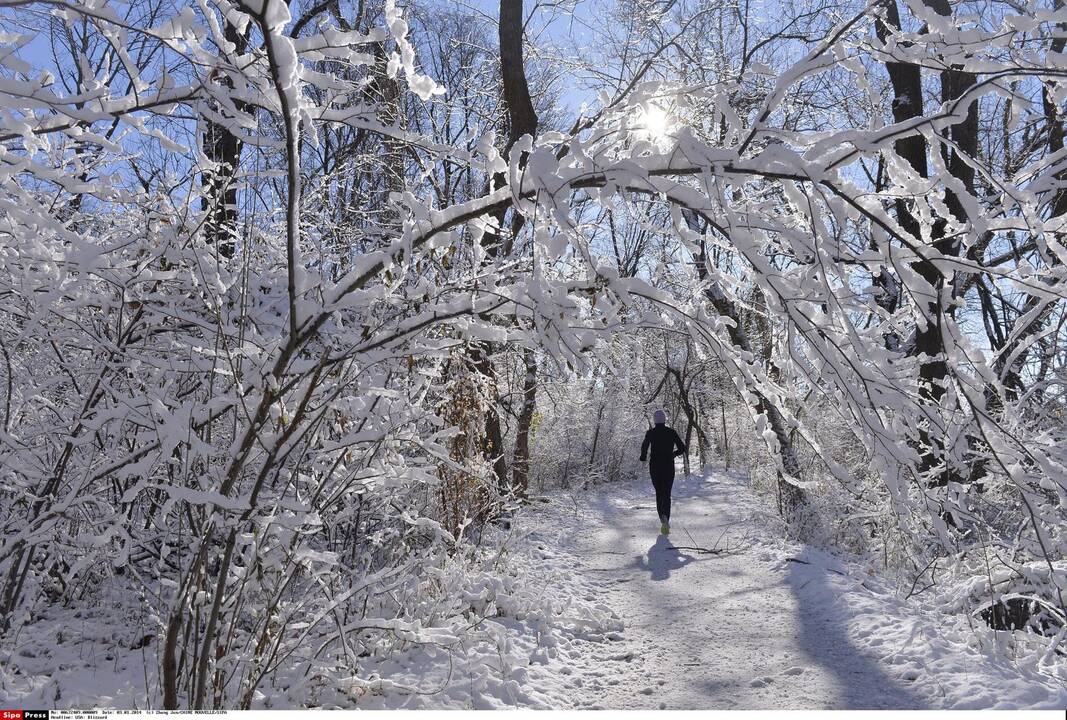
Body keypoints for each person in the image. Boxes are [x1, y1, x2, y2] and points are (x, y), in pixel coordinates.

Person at [639, 409, 687, 535]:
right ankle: (666, 518)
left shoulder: (650, 433)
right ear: (665, 419)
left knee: (659, 492)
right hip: (668, 466)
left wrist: (643, 458)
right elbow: (682, 447)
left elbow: (644, 446)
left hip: (655, 466)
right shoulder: (671, 432)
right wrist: (673, 454)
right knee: (667, 493)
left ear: (655, 420)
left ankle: (662, 517)